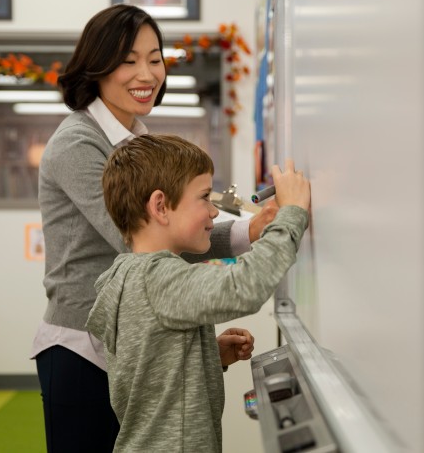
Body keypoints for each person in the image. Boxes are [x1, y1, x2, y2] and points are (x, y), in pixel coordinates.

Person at [31, 4, 277, 452]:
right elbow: (147, 236)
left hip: (132, 340)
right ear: (97, 67)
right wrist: (253, 233)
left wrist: (254, 227)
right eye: (128, 60)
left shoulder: (135, 140)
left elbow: (173, 227)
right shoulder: (77, 143)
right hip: (82, 348)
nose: (146, 73)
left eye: (155, 57)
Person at [86, 134, 311, 452]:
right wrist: (292, 213)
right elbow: (246, 286)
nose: (214, 212)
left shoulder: (124, 277)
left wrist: (206, 356)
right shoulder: (158, 280)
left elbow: (149, 371)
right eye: (204, 198)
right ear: (161, 206)